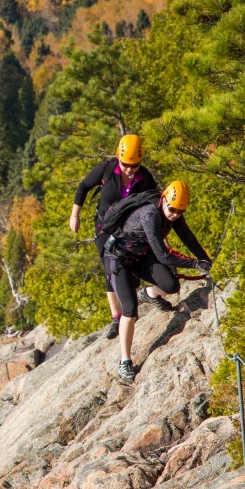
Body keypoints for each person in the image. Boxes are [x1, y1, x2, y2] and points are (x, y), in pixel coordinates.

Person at [102, 180, 212, 381]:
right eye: (172, 209)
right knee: (130, 309)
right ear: (163, 199)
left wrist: (206, 260)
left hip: (139, 257)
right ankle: (124, 361)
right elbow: (163, 255)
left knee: (170, 285)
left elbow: (188, 238)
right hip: (119, 259)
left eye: (180, 211)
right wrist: (196, 265)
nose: (174, 215)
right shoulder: (150, 214)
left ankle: (149, 294)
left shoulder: (173, 214)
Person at [69, 134, 159, 342]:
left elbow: (155, 207)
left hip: (129, 232)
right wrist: (75, 215)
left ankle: (131, 305)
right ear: (119, 157)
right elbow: (83, 187)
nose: (130, 169)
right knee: (110, 270)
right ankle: (116, 317)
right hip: (104, 229)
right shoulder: (107, 170)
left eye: (135, 165)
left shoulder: (145, 179)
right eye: (127, 164)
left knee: (130, 271)